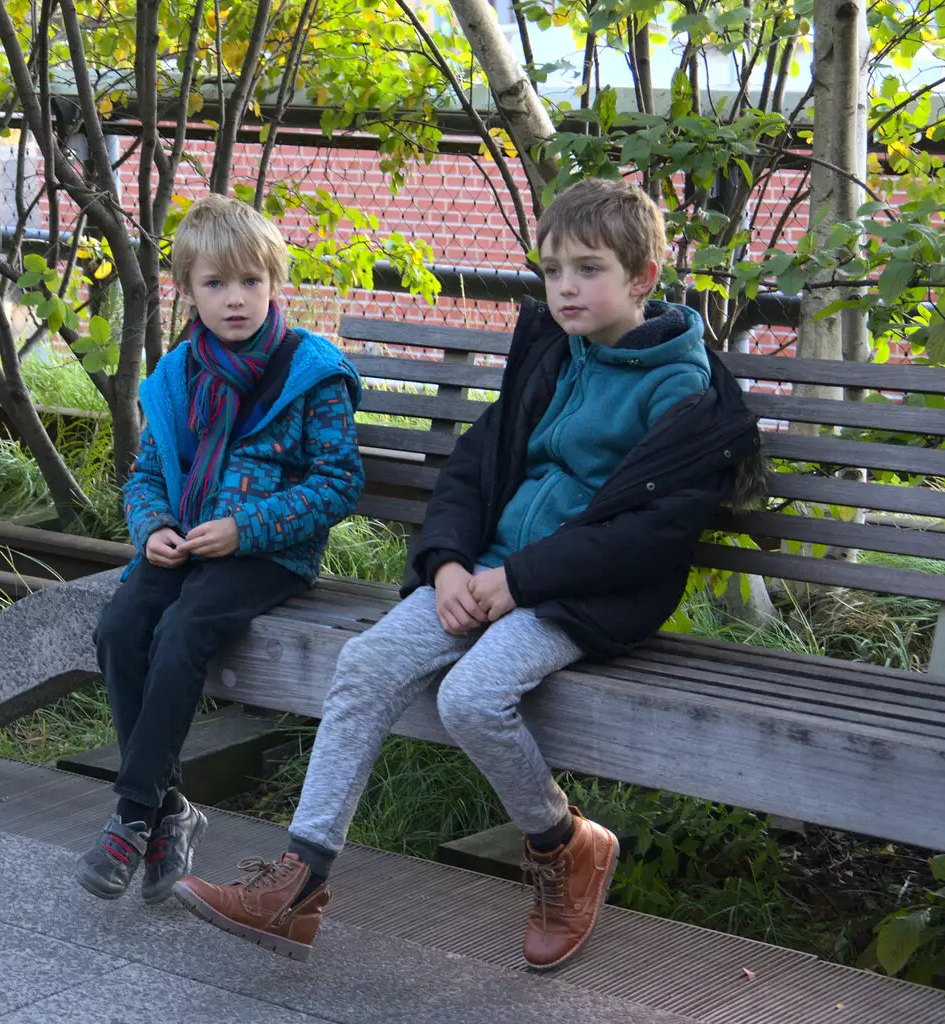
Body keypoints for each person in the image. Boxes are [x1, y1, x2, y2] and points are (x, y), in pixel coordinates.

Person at [173, 178, 764, 965]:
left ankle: (564, 844)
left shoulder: (685, 394)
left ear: (643, 278)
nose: (565, 288)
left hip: (578, 595)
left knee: (473, 697)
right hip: (484, 576)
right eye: (552, 271)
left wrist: (519, 581)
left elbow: (647, 537)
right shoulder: (555, 356)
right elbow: (472, 470)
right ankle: (298, 885)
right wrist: (447, 563)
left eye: (587, 270)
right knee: (366, 664)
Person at [76, 193, 365, 905]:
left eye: (250, 283)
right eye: (216, 284)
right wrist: (152, 530)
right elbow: (148, 475)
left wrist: (248, 529)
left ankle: (134, 812)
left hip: (266, 555)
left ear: (275, 285)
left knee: (183, 631)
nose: (235, 300)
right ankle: (172, 811)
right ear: (188, 291)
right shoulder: (179, 375)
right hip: (185, 546)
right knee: (120, 627)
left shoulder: (311, 372)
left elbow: (337, 484)